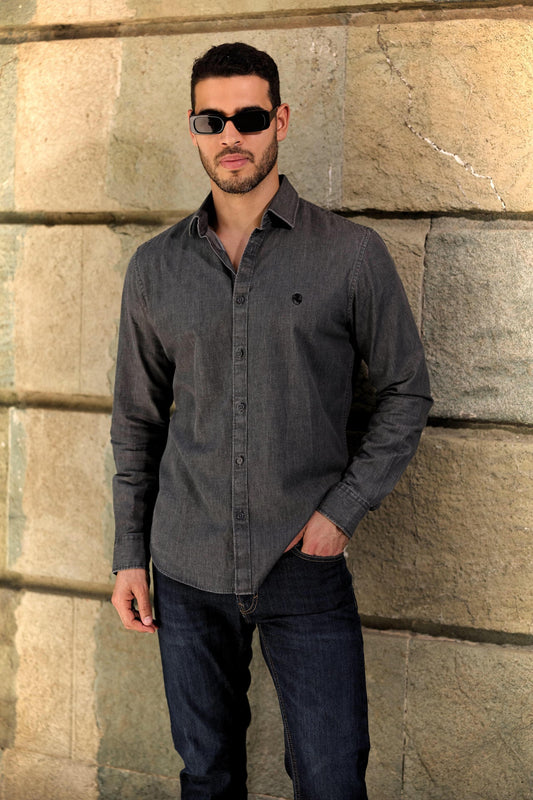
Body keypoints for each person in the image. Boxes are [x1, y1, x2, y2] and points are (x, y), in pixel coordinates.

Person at [110, 41, 432, 800]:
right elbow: (136, 421)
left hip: (302, 566)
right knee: (207, 777)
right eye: (211, 120)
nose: (231, 136)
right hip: (185, 567)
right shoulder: (154, 268)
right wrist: (129, 554)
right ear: (193, 128)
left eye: (249, 118)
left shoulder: (350, 255)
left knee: (331, 778)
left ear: (280, 120)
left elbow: (405, 392)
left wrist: (340, 514)